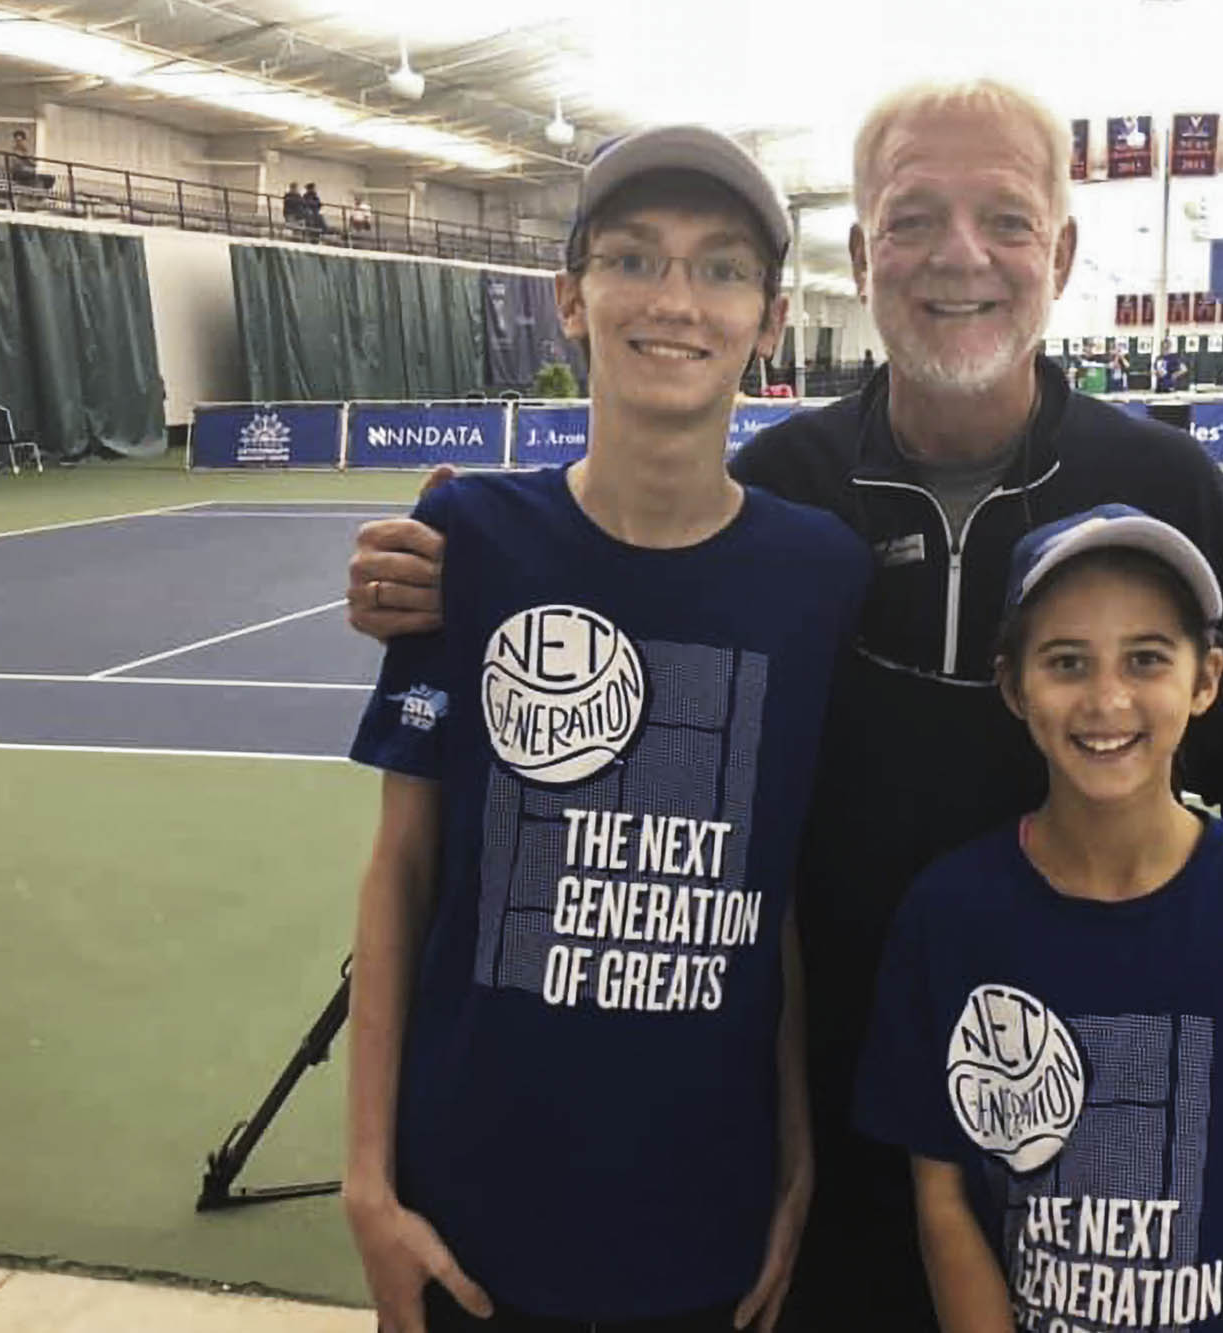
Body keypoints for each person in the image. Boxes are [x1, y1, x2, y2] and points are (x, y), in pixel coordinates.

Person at [346, 79, 1223, 1333]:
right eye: (912, 220)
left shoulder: (1159, 483)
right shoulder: (782, 490)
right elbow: (631, 598)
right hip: (810, 1130)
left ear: (1057, 253)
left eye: (1004, 220)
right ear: (859, 256)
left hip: (1044, 1150)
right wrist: (462, 572)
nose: (959, 258)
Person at [343, 124, 870, 1333]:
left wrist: (792, 1168)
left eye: (721, 267)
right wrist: (368, 1185)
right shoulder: (464, 544)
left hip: (708, 1239)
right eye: (634, 259)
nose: (674, 300)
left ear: (771, 318)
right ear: (570, 301)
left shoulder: (817, 577)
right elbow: (401, 871)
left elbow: (774, 896)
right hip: (465, 1229)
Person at [857, 505, 1223, 1333]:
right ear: (1014, 686)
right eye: (1066, 661)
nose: (1106, 699)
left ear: (1205, 681)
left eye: (1146, 659)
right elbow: (943, 1191)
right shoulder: (948, 917)